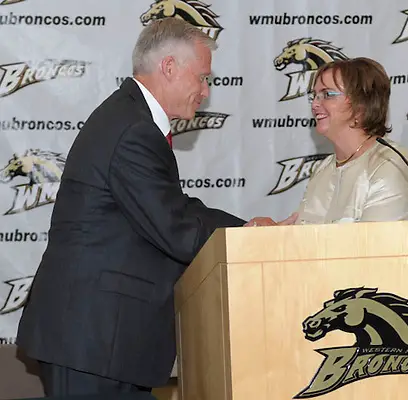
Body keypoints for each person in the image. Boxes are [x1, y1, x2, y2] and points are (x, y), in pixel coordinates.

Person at [16, 18, 295, 397]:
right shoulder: (134, 129)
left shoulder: (130, 117)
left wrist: (247, 226)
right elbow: (174, 227)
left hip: (102, 342)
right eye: (202, 77)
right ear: (168, 67)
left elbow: (172, 207)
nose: (205, 91)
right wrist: (250, 237)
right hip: (93, 342)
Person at [295, 57, 408, 224]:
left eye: (327, 94)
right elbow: (301, 234)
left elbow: (375, 244)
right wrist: (269, 230)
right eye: (314, 96)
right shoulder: (323, 169)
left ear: (361, 104)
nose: (315, 104)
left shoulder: (391, 163)